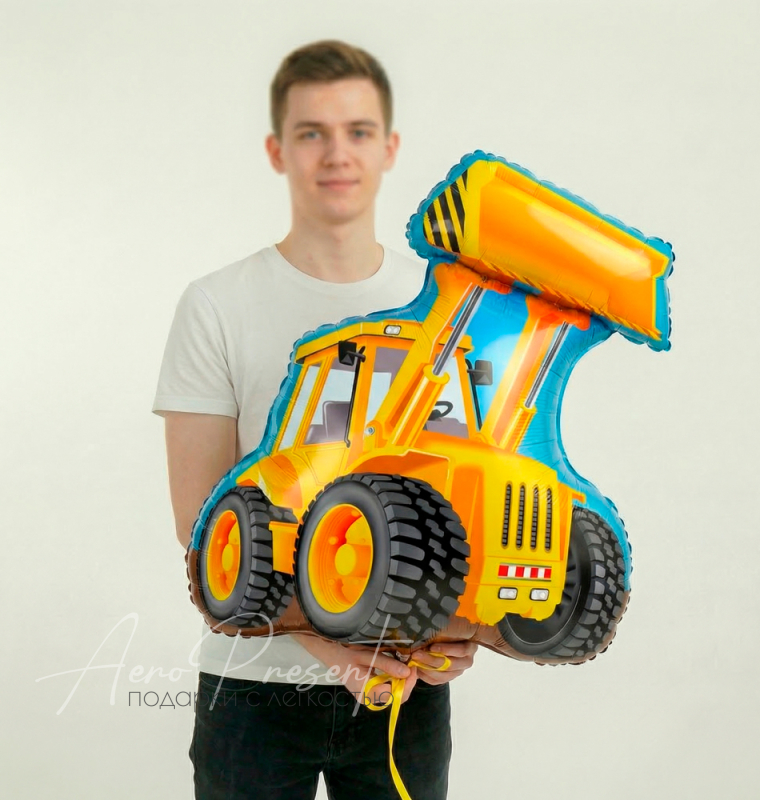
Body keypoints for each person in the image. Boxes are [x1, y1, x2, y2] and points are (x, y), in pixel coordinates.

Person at [152, 40, 478, 799]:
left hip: (404, 691)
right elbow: (201, 527)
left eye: (358, 131)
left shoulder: (446, 313)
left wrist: (463, 628)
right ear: (278, 150)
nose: (337, 153)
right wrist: (328, 643)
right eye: (312, 132)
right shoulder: (216, 305)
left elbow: (458, 494)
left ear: (390, 147)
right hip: (254, 690)